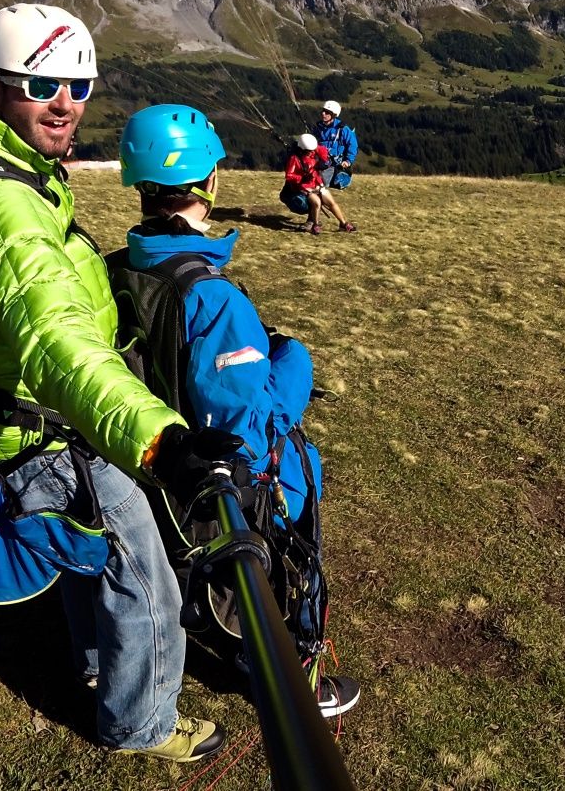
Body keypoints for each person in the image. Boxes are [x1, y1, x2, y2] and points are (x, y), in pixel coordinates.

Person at [0, 3, 238, 764]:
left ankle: (96, 664)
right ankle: (140, 723)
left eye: (78, 85)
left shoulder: (12, 174)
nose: (64, 103)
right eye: (41, 85)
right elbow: (59, 347)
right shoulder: (0, 207)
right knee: (144, 569)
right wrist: (160, 443)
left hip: (31, 419)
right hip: (46, 432)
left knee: (93, 545)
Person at [116, 105, 360, 719]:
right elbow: (247, 425)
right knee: (285, 545)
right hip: (219, 479)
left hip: (152, 466)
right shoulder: (213, 299)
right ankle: (292, 669)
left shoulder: (119, 270)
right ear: (209, 182)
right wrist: (294, 364)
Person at [281, 133, 354, 235]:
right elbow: (289, 176)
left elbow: (323, 151)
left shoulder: (314, 151)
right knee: (317, 203)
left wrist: (326, 162)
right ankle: (315, 224)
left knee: (331, 202)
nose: (312, 152)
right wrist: (302, 178)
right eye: (309, 151)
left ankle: (343, 223)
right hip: (305, 187)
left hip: (317, 183)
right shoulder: (294, 159)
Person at [316, 100, 359, 190]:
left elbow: (352, 145)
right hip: (321, 161)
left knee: (321, 184)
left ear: (334, 115)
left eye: (327, 112)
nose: (323, 114)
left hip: (335, 164)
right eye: (323, 111)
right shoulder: (318, 128)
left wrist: (348, 161)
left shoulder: (342, 129)